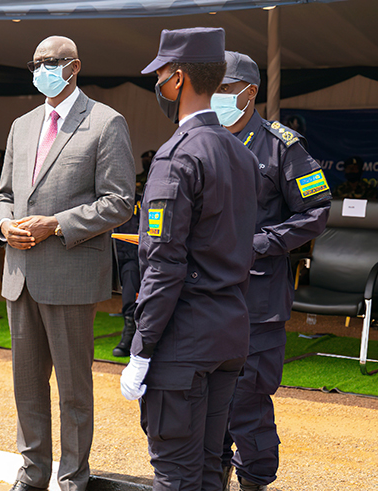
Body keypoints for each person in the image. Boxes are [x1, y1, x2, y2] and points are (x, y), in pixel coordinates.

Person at [0, 36, 135, 491]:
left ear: (74, 67)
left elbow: (119, 202)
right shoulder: (23, 124)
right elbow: (3, 196)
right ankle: (32, 475)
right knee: (27, 387)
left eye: (49, 62)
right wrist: (3, 227)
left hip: (70, 274)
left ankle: (73, 479)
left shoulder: (106, 122)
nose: (41, 70)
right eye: (34, 63)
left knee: (74, 391)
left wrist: (56, 224)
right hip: (20, 274)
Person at [120, 28, 260, 491]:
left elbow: (162, 264)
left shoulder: (176, 156)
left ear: (177, 79)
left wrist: (141, 348)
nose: (157, 82)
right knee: (205, 472)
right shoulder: (239, 153)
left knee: (175, 475)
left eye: (160, 74)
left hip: (184, 341)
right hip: (228, 332)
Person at [212, 51, 332, 491]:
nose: (217, 98)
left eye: (225, 89)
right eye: (213, 89)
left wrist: (260, 244)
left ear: (250, 92)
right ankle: (213, 475)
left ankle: (255, 480)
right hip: (206, 296)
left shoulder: (282, 145)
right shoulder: (203, 139)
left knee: (248, 399)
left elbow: (316, 211)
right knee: (207, 398)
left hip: (257, 299)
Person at [111, 150, 154, 357]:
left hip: (153, 257)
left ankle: (142, 339)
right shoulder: (120, 202)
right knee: (130, 295)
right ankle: (129, 335)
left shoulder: (154, 198)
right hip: (126, 255)